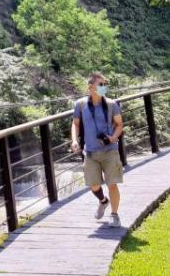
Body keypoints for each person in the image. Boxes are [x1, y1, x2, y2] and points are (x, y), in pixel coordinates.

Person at [71, 72, 124, 227]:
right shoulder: (80, 104)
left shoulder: (112, 104)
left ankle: (114, 215)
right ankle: (103, 201)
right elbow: (75, 124)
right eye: (100, 85)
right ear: (90, 87)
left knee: (112, 184)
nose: (103, 87)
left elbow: (119, 124)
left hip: (110, 150)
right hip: (91, 152)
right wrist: (74, 140)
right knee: (93, 184)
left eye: (104, 84)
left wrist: (113, 137)